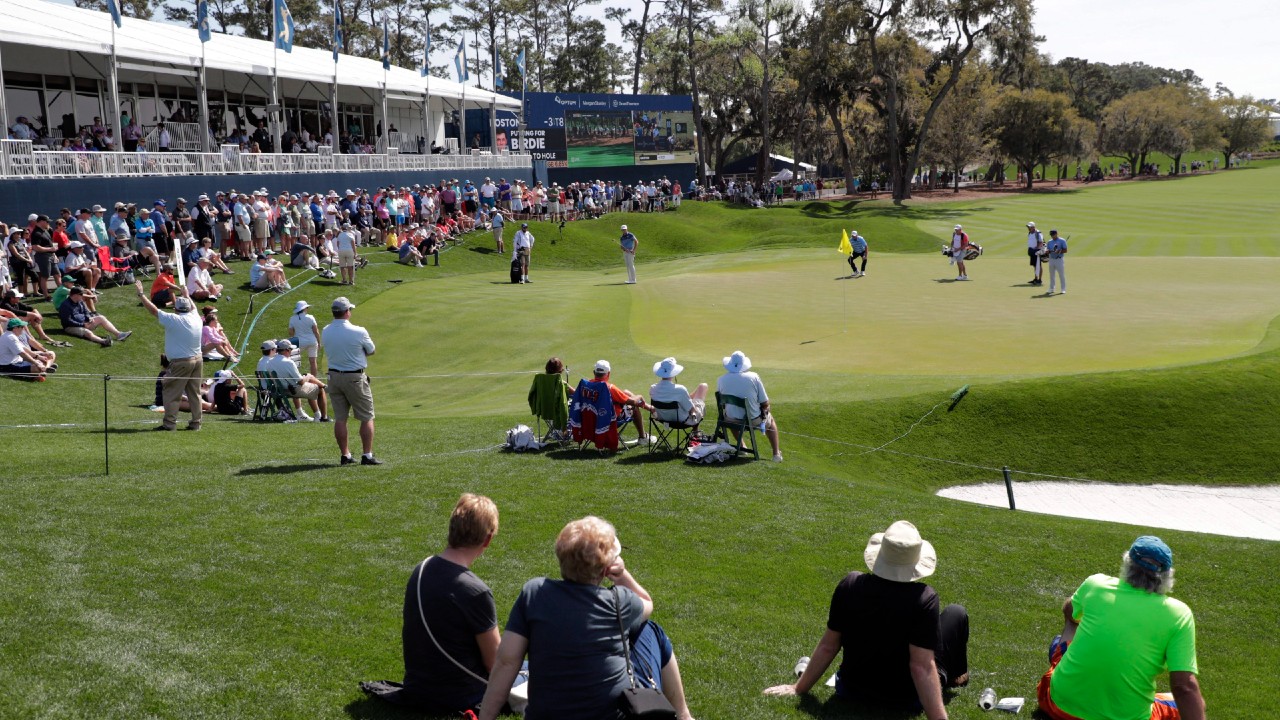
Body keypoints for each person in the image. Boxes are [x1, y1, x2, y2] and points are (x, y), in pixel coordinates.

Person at [477, 516, 696, 720]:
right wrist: (622, 574)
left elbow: (507, 661)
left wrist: (485, 717)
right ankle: (684, 715)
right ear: (605, 568)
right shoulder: (620, 602)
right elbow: (647, 603)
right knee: (651, 630)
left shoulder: (535, 594)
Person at [763, 521, 969, 720]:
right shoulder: (924, 599)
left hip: (851, 690)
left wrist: (798, 688)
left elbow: (829, 645)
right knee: (956, 614)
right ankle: (956, 676)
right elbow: (921, 666)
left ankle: (955, 676)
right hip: (905, 700)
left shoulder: (850, 584)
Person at [1037, 536, 1204, 720]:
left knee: (1068, 633)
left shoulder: (1096, 584)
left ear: (1128, 563)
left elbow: (1069, 611)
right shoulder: (1178, 614)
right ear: (1167, 576)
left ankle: (1058, 651)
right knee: (1187, 704)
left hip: (1057, 706)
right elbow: (1184, 687)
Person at [385, 493, 502, 713]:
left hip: (419, 688)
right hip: (460, 695)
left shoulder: (420, 569)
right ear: (487, 540)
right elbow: (495, 664)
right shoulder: (476, 591)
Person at [136, 280, 204, 431]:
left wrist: (141, 294)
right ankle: (196, 423)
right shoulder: (196, 317)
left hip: (181, 362)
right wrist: (186, 295)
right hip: (198, 360)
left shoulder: (174, 319)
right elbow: (194, 307)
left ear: (176, 309)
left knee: (171, 392)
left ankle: (169, 424)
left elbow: (154, 310)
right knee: (195, 393)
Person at [322, 297, 380, 465]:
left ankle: (345, 455)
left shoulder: (326, 330)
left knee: (341, 418)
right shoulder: (359, 331)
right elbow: (371, 350)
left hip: (334, 377)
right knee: (366, 416)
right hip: (354, 377)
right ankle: (367, 455)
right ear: (347, 312)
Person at [717, 350, 782, 462]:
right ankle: (776, 454)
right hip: (752, 420)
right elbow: (765, 402)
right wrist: (766, 409)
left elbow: (722, 404)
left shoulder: (721, 379)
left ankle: (742, 448)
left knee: (731, 413)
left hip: (731, 420)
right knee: (770, 421)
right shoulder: (754, 377)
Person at [268, 339, 330, 422]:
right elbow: (301, 382)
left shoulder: (270, 361)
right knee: (319, 389)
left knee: (311, 383)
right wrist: (307, 376)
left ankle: (318, 413)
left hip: (280, 389)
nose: (291, 351)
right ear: (287, 350)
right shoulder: (288, 362)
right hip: (292, 390)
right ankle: (324, 417)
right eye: (290, 349)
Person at [592, 359, 653, 443]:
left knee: (625, 392)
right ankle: (643, 437)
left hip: (590, 421)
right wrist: (640, 396)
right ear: (608, 373)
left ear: (594, 372)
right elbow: (633, 402)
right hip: (610, 421)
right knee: (634, 408)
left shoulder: (586, 385)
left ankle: (650, 408)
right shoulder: (610, 388)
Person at [59, 286, 130, 347]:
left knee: (101, 318)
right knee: (88, 333)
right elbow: (67, 321)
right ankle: (104, 341)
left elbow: (86, 311)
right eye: (81, 294)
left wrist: (89, 318)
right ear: (75, 295)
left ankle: (119, 334)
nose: (83, 296)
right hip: (71, 327)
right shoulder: (65, 305)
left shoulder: (79, 301)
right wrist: (82, 325)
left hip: (84, 322)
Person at [649, 356, 708, 429]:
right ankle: (696, 432)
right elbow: (691, 409)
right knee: (703, 387)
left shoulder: (653, 388)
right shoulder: (680, 389)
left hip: (662, 419)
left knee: (690, 398)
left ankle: (695, 432)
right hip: (682, 421)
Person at [288, 300, 323, 376]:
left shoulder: (292, 318)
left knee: (295, 362)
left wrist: (293, 339)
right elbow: (316, 331)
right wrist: (319, 342)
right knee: (313, 362)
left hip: (299, 342)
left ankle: (296, 379)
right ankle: (314, 380)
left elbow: (291, 332)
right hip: (312, 341)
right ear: (304, 309)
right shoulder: (311, 317)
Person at [1046, 229, 1067, 295]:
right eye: (1051, 235)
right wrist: (1048, 251)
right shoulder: (1049, 242)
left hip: (1059, 259)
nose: (1052, 236)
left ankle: (1063, 289)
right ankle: (1052, 288)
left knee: (1061, 275)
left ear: (1056, 234)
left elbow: (1065, 250)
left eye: (1053, 234)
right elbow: (1048, 249)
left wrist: (1059, 251)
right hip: (1051, 259)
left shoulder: (1062, 240)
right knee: (1052, 275)